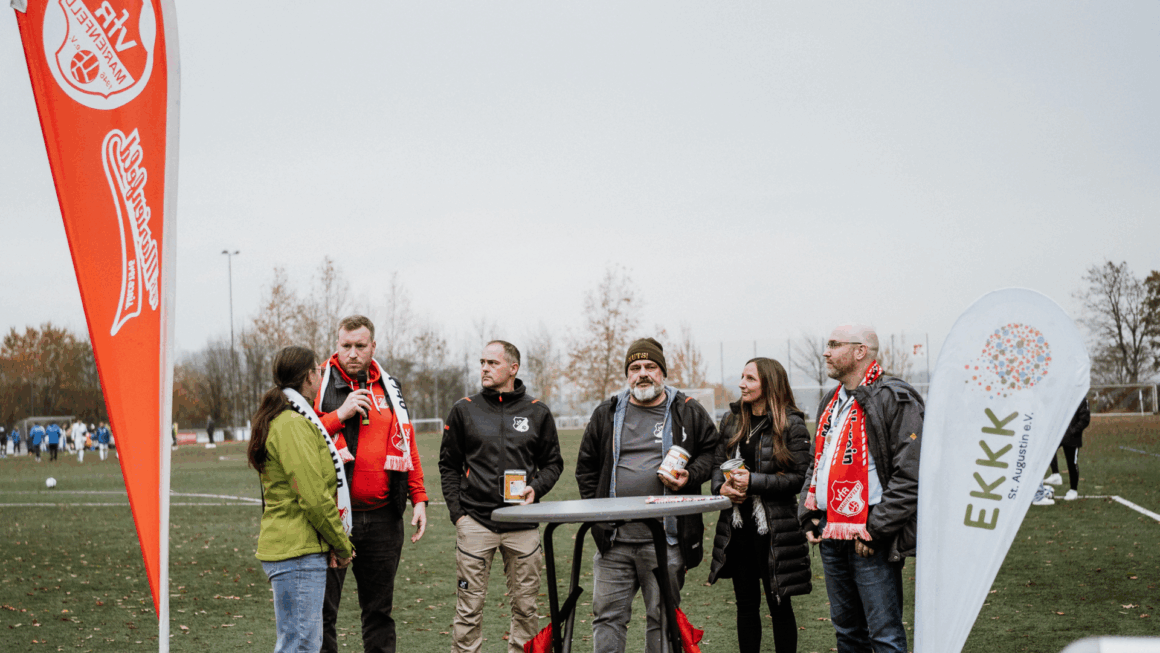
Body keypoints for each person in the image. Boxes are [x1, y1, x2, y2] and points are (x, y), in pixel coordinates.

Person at [575, 337, 720, 653]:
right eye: (635, 367)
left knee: (663, 619)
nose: (643, 373)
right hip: (615, 543)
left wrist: (691, 475)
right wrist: (600, 516)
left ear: (662, 371)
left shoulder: (687, 410)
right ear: (628, 374)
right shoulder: (607, 412)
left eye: (650, 367)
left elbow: (713, 451)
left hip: (665, 541)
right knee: (607, 618)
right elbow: (585, 468)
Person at [798, 324, 923, 653]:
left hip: (869, 532)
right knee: (847, 632)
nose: (825, 352)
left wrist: (876, 528)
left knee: (885, 635)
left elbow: (911, 473)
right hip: (830, 530)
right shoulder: (832, 398)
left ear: (860, 351)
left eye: (833, 344)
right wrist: (809, 512)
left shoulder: (895, 396)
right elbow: (819, 461)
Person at [440, 340, 564, 653]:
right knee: (468, 611)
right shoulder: (464, 409)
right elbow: (448, 465)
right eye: (482, 361)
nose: (484, 368)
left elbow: (553, 463)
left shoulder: (537, 412)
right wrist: (459, 514)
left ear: (512, 368)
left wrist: (536, 488)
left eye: (492, 363)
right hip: (476, 524)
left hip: (522, 524)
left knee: (526, 610)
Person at [316, 315, 428, 653]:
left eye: (359, 346)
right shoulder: (318, 383)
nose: (352, 353)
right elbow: (298, 434)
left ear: (373, 347)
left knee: (379, 612)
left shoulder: (389, 387)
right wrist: (340, 414)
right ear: (336, 346)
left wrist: (419, 497)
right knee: (322, 613)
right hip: (332, 519)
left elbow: (407, 442)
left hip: (382, 518)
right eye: (345, 346)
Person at [249, 346, 354, 653]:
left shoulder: (286, 419)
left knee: (300, 643)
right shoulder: (293, 423)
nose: (321, 377)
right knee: (300, 645)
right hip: (296, 551)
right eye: (318, 372)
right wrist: (342, 544)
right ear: (309, 376)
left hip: (296, 548)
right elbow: (313, 497)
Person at [708, 358, 812, 653]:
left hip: (776, 531)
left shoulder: (790, 423)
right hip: (737, 527)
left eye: (750, 378)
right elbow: (717, 464)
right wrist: (723, 487)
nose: (742, 383)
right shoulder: (731, 420)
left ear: (769, 383)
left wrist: (754, 482)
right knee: (745, 605)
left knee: (779, 605)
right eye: (742, 377)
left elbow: (798, 479)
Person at [1044, 398, 1090, 501]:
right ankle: (1055, 474)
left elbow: (1085, 419)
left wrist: (1073, 431)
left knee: (1071, 463)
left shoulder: (1082, 397)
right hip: (1058, 433)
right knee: (1047, 450)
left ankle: (1073, 490)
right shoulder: (1063, 393)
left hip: (1072, 436)